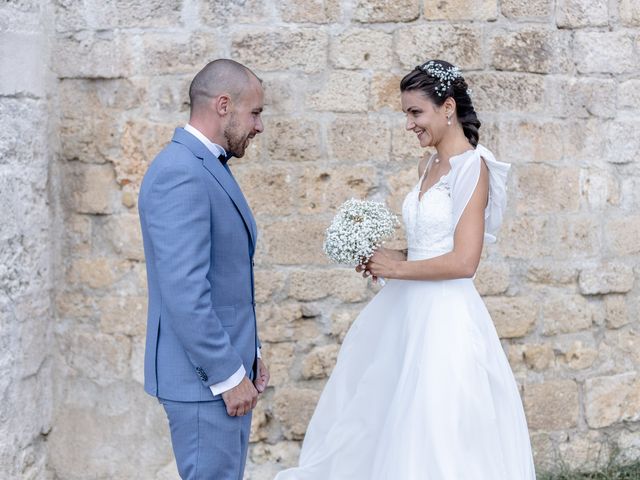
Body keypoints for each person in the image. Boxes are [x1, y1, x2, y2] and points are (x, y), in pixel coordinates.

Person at [274, 60, 536, 479]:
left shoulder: (474, 167)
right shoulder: (427, 166)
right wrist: (390, 255)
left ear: (447, 107)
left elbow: (464, 262)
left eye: (416, 112)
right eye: (406, 114)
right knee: (383, 415)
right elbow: (429, 247)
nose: (410, 124)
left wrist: (394, 270)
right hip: (405, 313)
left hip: (445, 318)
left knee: (435, 425)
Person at [138, 59, 270, 480]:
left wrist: (252, 354)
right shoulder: (181, 172)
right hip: (204, 384)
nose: (259, 126)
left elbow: (227, 278)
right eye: (255, 113)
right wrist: (228, 375)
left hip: (224, 371)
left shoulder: (206, 165)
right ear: (224, 105)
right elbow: (184, 292)